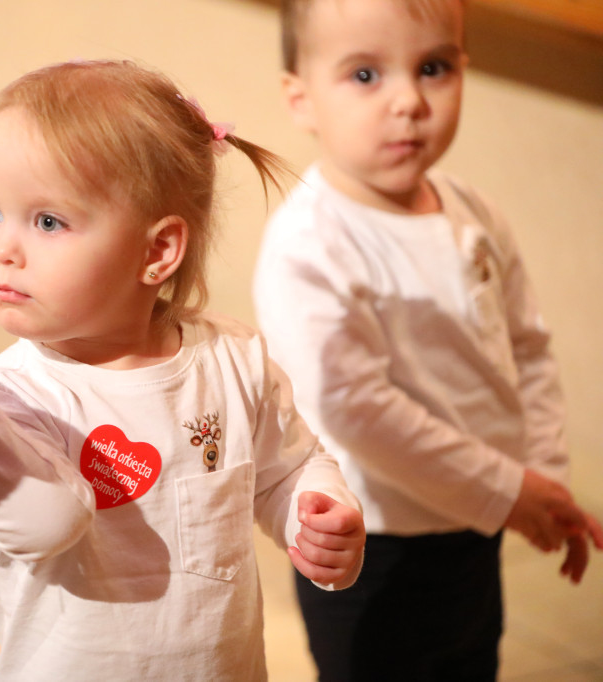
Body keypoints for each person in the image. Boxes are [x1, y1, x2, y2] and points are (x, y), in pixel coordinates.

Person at [0, 59, 365, 680]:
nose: (2, 247)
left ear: (157, 250)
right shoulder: (10, 398)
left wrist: (316, 508)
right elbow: (39, 525)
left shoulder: (233, 362)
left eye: (47, 221)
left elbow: (286, 466)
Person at [252, 1, 603, 680]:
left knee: (469, 662)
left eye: (434, 68)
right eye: (365, 75)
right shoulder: (309, 245)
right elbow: (356, 408)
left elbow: (527, 349)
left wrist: (544, 481)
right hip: (369, 542)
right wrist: (507, 489)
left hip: (470, 527)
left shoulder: (474, 213)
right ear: (302, 99)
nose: (409, 101)